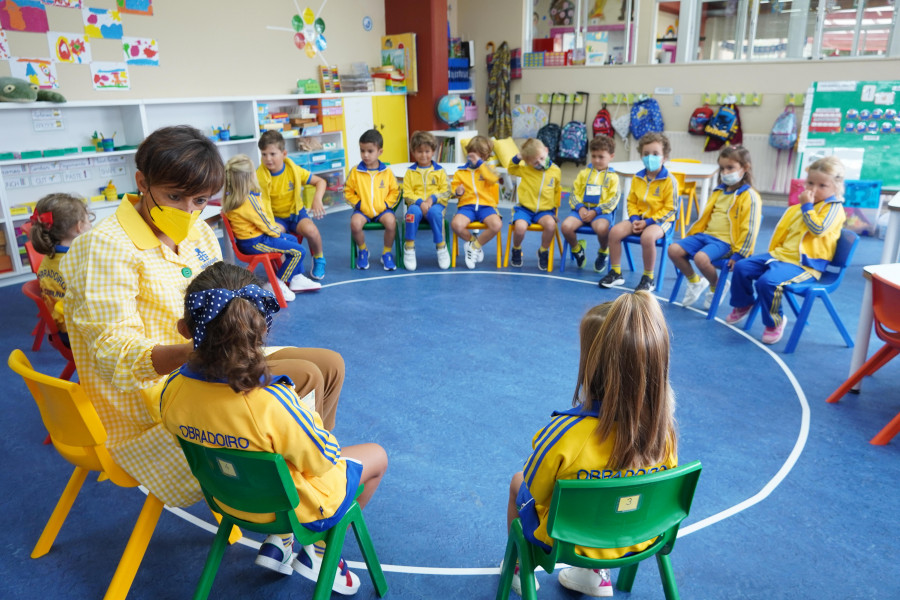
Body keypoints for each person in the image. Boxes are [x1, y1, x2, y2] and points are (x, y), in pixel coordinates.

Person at [61, 125, 346, 512]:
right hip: (156, 392)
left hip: (204, 356)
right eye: (174, 197)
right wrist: (202, 348)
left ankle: (302, 480)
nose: (188, 212)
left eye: (199, 200)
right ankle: (292, 505)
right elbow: (115, 356)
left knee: (329, 365)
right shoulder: (105, 247)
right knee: (306, 376)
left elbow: (222, 295)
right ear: (142, 182)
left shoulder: (197, 230)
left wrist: (243, 317)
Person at [161, 262, 387, 594]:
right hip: (290, 506)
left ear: (185, 329)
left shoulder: (173, 390)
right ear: (260, 331)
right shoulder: (272, 401)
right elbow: (322, 460)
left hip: (227, 499)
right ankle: (321, 549)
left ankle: (279, 541)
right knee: (376, 457)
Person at [505, 292, 678, 597]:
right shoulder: (663, 433)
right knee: (621, 496)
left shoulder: (564, 434)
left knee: (517, 482)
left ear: (592, 366)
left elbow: (535, 490)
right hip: (639, 536)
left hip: (568, 541)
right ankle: (596, 574)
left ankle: (521, 569)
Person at [725, 156, 847, 344]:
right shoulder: (801, 207)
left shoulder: (833, 209)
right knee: (742, 267)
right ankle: (744, 303)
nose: (813, 189)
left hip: (806, 265)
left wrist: (806, 206)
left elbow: (818, 229)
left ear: (836, 187)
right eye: (810, 183)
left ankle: (775, 322)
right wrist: (804, 207)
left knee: (767, 282)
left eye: (822, 185)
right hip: (781, 257)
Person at [668, 146, 761, 309]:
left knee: (700, 258)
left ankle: (716, 284)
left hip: (726, 243)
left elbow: (750, 229)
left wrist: (740, 254)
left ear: (745, 168)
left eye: (730, 168)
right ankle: (695, 282)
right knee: (673, 249)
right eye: (722, 168)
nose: (725, 172)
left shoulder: (750, 196)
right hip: (705, 236)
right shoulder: (718, 191)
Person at [223, 154, 320, 300]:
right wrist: (278, 234)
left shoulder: (233, 197)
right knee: (299, 251)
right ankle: (276, 283)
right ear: (249, 177)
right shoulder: (248, 201)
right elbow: (266, 224)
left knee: (292, 239)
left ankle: (296, 278)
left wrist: (279, 235)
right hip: (255, 243)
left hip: (254, 239)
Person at [598, 132, 678, 292]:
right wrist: (634, 219)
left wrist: (648, 222)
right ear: (641, 156)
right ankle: (616, 272)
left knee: (647, 237)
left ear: (665, 157)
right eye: (646, 154)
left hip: (660, 222)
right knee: (614, 232)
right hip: (637, 219)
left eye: (656, 154)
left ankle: (648, 277)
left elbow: (670, 209)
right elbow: (631, 201)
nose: (650, 157)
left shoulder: (670, 181)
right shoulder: (637, 178)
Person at [256, 130, 328, 281]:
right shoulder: (258, 176)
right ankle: (287, 270)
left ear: (284, 153)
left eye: (272, 154)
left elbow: (320, 181)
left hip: (296, 214)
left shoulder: (293, 170)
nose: (268, 159)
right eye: (264, 154)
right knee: (276, 235)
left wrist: (317, 199)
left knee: (312, 231)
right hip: (275, 217)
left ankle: (319, 259)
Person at [28, 193, 93, 347]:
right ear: (79, 227)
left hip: (61, 330)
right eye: (88, 219)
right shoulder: (77, 262)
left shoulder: (48, 258)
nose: (90, 223)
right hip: (78, 336)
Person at [559, 135, 620, 272]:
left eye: (601, 157)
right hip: (580, 211)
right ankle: (577, 249)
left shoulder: (613, 178)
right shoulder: (583, 173)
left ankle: (603, 251)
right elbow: (574, 192)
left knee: (602, 229)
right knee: (566, 227)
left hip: (600, 213)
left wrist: (596, 211)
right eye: (594, 156)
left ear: (611, 156)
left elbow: (613, 200)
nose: (597, 160)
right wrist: (580, 208)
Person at [345, 128, 400, 271]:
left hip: (382, 210)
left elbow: (395, 191)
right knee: (355, 224)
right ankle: (363, 250)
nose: (365, 155)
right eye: (362, 151)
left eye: (370, 151)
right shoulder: (355, 171)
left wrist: (386, 204)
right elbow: (347, 191)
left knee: (391, 222)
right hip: (363, 210)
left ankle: (386, 253)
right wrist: (358, 204)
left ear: (380, 151)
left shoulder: (386, 172)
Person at [506, 138, 562, 270]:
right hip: (524, 209)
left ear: (546, 151)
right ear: (528, 162)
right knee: (520, 228)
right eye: (535, 162)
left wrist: (554, 211)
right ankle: (516, 249)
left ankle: (543, 250)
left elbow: (556, 190)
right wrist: (518, 157)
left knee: (550, 225)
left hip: (545, 211)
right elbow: (511, 169)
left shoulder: (555, 171)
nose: (541, 163)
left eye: (542, 158)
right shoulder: (526, 169)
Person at [402, 130, 452, 271]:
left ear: (433, 151)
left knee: (436, 214)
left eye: (427, 151)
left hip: (435, 206)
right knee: (411, 214)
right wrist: (420, 202)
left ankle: (441, 247)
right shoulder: (410, 172)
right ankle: (409, 247)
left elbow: (446, 190)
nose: (424, 155)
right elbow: (406, 192)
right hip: (416, 206)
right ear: (413, 152)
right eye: (419, 151)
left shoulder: (440, 171)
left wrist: (432, 199)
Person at [450, 136, 502, 269]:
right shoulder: (460, 172)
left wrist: (480, 164)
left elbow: (493, 179)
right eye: (470, 154)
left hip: (487, 206)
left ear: (485, 157)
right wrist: (457, 191)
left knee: (496, 225)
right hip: (467, 207)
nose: (471, 158)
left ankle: (475, 247)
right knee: (456, 225)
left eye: (476, 156)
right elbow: (453, 191)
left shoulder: (489, 169)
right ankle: (472, 242)